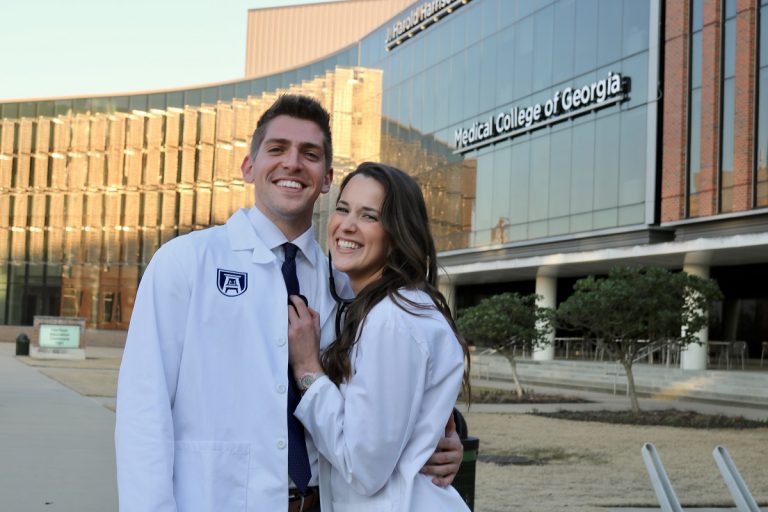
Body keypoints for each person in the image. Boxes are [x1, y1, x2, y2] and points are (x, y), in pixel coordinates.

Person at [114, 95, 463, 512]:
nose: (293, 164)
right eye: (277, 149)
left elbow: (385, 388)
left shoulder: (349, 287)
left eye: (309, 154)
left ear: (327, 177)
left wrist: (446, 432)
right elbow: (142, 411)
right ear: (249, 167)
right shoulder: (186, 263)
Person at [286, 162, 472, 511]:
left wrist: (308, 369)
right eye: (343, 209)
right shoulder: (380, 307)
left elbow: (364, 467)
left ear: (398, 233)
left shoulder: (392, 319)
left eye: (369, 216)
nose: (347, 225)